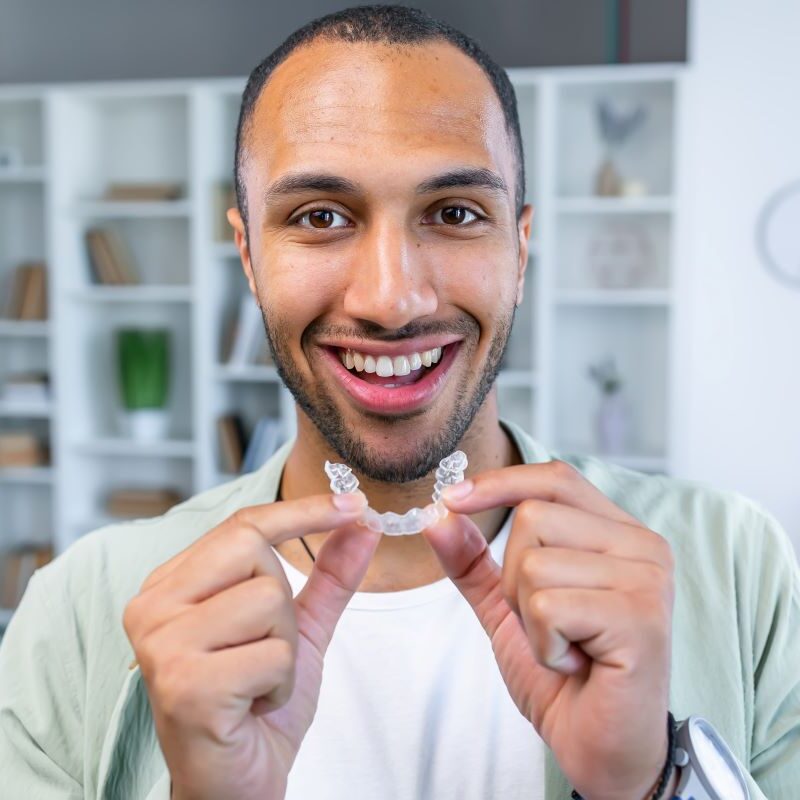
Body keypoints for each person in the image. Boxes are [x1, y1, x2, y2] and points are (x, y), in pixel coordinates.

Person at [1, 5, 799, 799]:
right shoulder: (80, 611)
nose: (392, 299)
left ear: (519, 252)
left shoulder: (734, 566)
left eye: (454, 214)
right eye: (321, 217)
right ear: (249, 256)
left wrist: (650, 783)